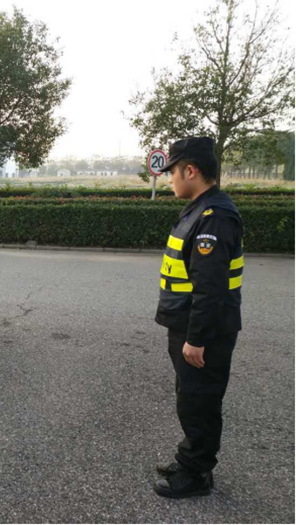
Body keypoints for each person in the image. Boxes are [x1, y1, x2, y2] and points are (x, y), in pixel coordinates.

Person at [154, 137, 244, 499]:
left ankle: (196, 474)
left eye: (173, 172)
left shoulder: (214, 217)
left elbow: (210, 288)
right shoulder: (200, 209)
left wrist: (197, 338)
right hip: (189, 323)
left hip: (203, 330)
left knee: (200, 400)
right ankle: (190, 458)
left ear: (190, 170)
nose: (170, 179)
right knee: (190, 397)